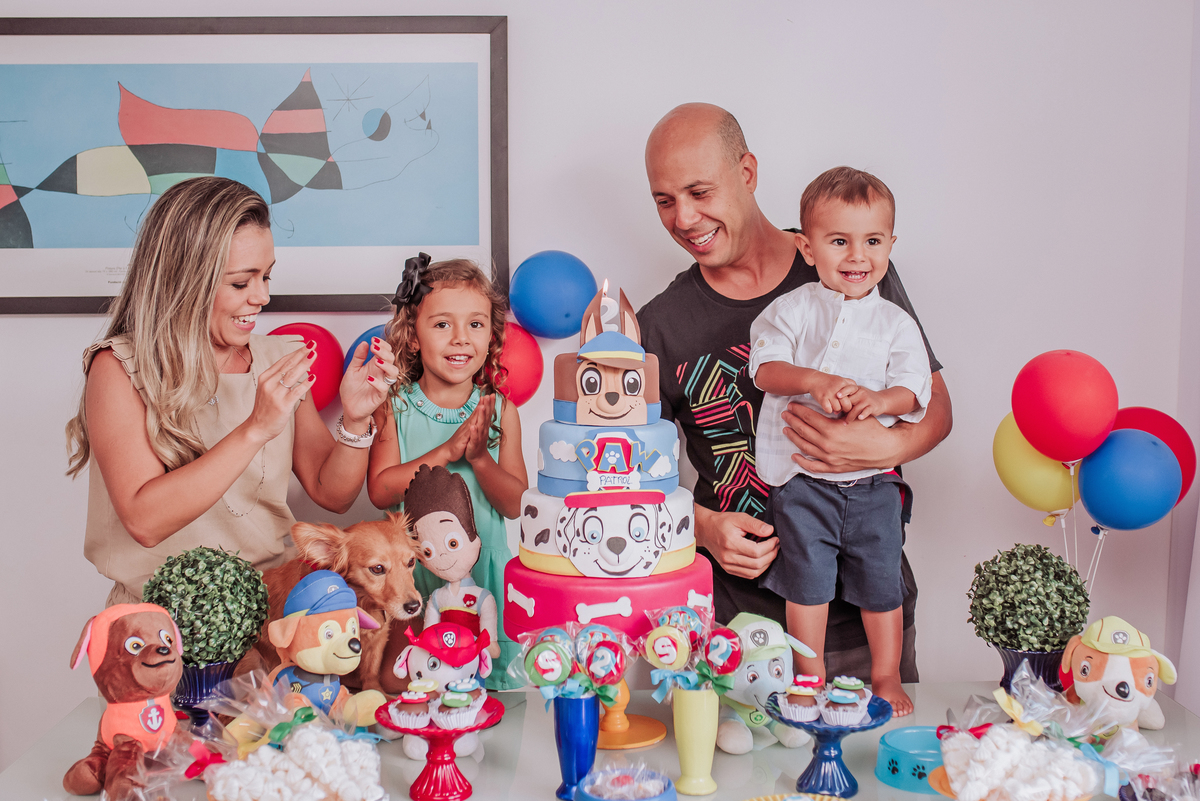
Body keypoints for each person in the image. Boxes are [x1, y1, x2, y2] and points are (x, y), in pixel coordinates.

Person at [638, 103, 952, 684]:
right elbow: (624, 484)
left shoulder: (849, 261)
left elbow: (936, 406)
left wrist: (883, 448)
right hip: (737, 628)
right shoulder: (658, 327)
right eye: (664, 200)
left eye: (699, 192)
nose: (684, 217)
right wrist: (701, 527)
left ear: (747, 173)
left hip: (866, 622)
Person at [66, 177, 398, 606]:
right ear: (184, 280)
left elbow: (332, 494)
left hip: (272, 608)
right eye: (241, 283)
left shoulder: (280, 357)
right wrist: (256, 428)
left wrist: (355, 418)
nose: (262, 296)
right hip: (159, 621)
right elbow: (144, 521)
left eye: (266, 276)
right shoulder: (119, 367)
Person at [750, 166, 933, 715]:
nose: (857, 256)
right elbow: (765, 369)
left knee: (882, 584)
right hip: (802, 482)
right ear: (808, 248)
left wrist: (881, 401)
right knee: (806, 586)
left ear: (891, 244)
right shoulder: (792, 310)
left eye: (873, 241)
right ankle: (810, 677)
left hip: (874, 486)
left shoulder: (895, 323)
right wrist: (814, 381)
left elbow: (913, 388)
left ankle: (886, 676)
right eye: (839, 242)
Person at [366, 254, 527, 690]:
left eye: (475, 324)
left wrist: (479, 459)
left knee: (487, 689)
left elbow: (515, 505)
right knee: (405, 683)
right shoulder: (394, 406)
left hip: (483, 578)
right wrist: (447, 450)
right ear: (413, 336)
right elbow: (380, 491)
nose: (460, 338)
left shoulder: (501, 410)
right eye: (442, 324)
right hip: (413, 575)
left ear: (491, 335)